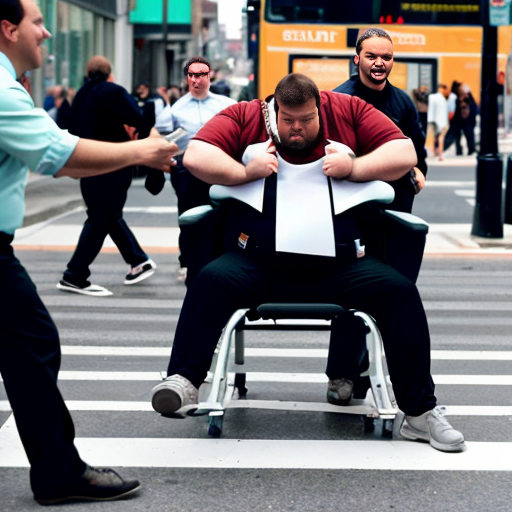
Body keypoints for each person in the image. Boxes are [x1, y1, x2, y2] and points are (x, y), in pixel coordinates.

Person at [150, 73, 466, 454]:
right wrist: (243, 172)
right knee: (209, 281)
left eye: (307, 120)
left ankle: (419, 413)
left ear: (321, 108)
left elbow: (404, 152)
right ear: (274, 110)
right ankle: (184, 380)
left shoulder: (347, 108)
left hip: (340, 267)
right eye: (288, 121)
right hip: (257, 264)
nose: (297, 128)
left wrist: (354, 167)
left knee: (400, 293)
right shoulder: (246, 114)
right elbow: (197, 155)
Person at [0, 0, 177, 503]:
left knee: (29, 344)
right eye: (38, 23)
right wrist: (143, 151)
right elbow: (60, 153)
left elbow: (57, 154)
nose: (47, 34)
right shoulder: (2, 92)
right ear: (9, 29)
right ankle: (58, 473)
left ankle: (58, 469)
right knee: (33, 344)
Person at [57, 56, 158, 296]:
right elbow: (138, 118)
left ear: (88, 73)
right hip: (114, 159)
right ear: (109, 73)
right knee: (103, 216)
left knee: (104, 213)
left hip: (86, 160)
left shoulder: (80, 94)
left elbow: (71, 127)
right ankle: (74, 274)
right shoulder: (113, 91)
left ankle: (138, 260)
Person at [147, 56, 236, 284]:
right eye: (193, 75)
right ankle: (186, 262)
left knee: (220, 214)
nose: (197, 79)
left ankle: (218, 258)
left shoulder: (224, 104)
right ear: (187, 78)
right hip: (187, 169)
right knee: (188, 216)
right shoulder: (176, 109)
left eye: (202, 74)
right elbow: (160, 134)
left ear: (210, 77)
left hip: (218, 165)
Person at [333, 28, 427, 213]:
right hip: (354, 197)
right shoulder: (340, 98)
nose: (379, 63)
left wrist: (419, 171)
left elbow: (417, 146)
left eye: (386, 57)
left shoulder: (403, 101)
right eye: (371, 56)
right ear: (357, 59)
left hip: (397, 197)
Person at [427, 84, 450, 160]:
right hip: (442, 121)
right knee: (440, 138)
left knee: (433, 137)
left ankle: (433, 153)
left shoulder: (432, 97)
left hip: (432, 120)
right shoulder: (443, 99)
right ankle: (440, 154)